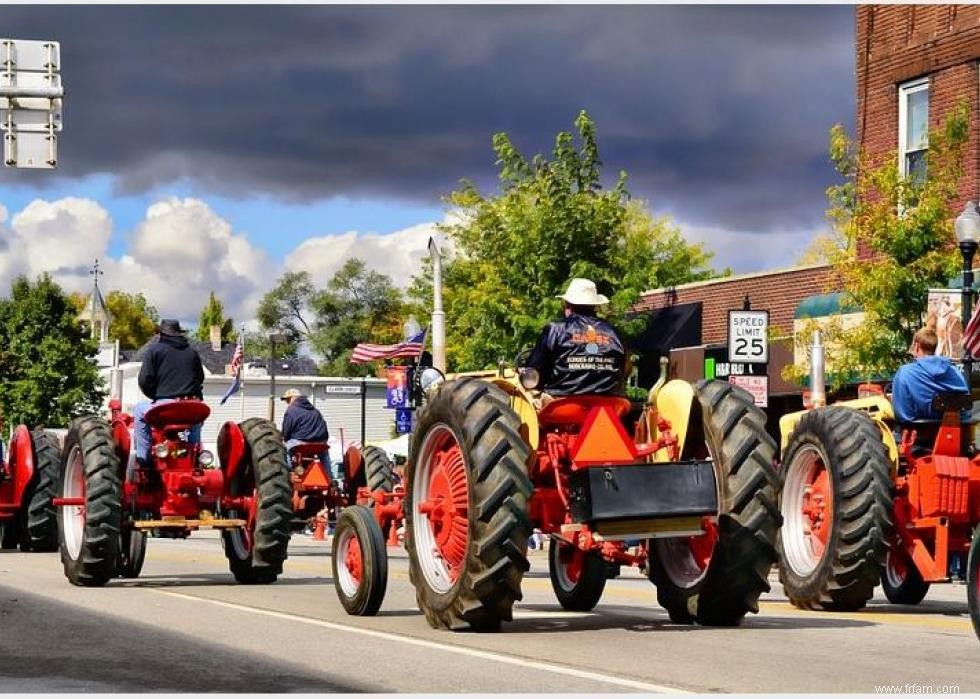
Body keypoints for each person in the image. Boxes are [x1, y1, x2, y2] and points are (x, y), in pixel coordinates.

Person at [526, 278, 627, 398]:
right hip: (610, 404)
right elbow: (626, 368)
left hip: (563, 403)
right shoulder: (614, 332)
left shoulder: (555, 329)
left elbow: (534, 370)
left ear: (568, 305)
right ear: (595, 305)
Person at [134, 319, 206, 467]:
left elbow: (144, 380)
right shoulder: (192, 352)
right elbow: (200, 378)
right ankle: (194, 456)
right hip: (192, 405)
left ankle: (144, 460)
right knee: (195, 421)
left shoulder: (154, 350)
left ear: (161, 334)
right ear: (178, 333)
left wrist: (156, 395)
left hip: (167, 407)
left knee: (139, 410)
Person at [891, 324, 969, 424]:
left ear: (917, 346)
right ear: (934, 348)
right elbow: (965, 409)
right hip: (955, 433)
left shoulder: (905, 373)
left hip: (919, 434)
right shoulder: (955, 372)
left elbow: (904, 415)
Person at [280, 388, 331, 476]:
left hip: (300, 443)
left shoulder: (291, 411)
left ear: (293, 398)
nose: (287, 403)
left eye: (288, 400)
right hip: (319, 444)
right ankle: (328, 477)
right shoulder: (315, 411)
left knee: (285, 450)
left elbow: (286, 431)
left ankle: (290, 474)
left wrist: (285, 438)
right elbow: (324, 428)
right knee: (324, 455)